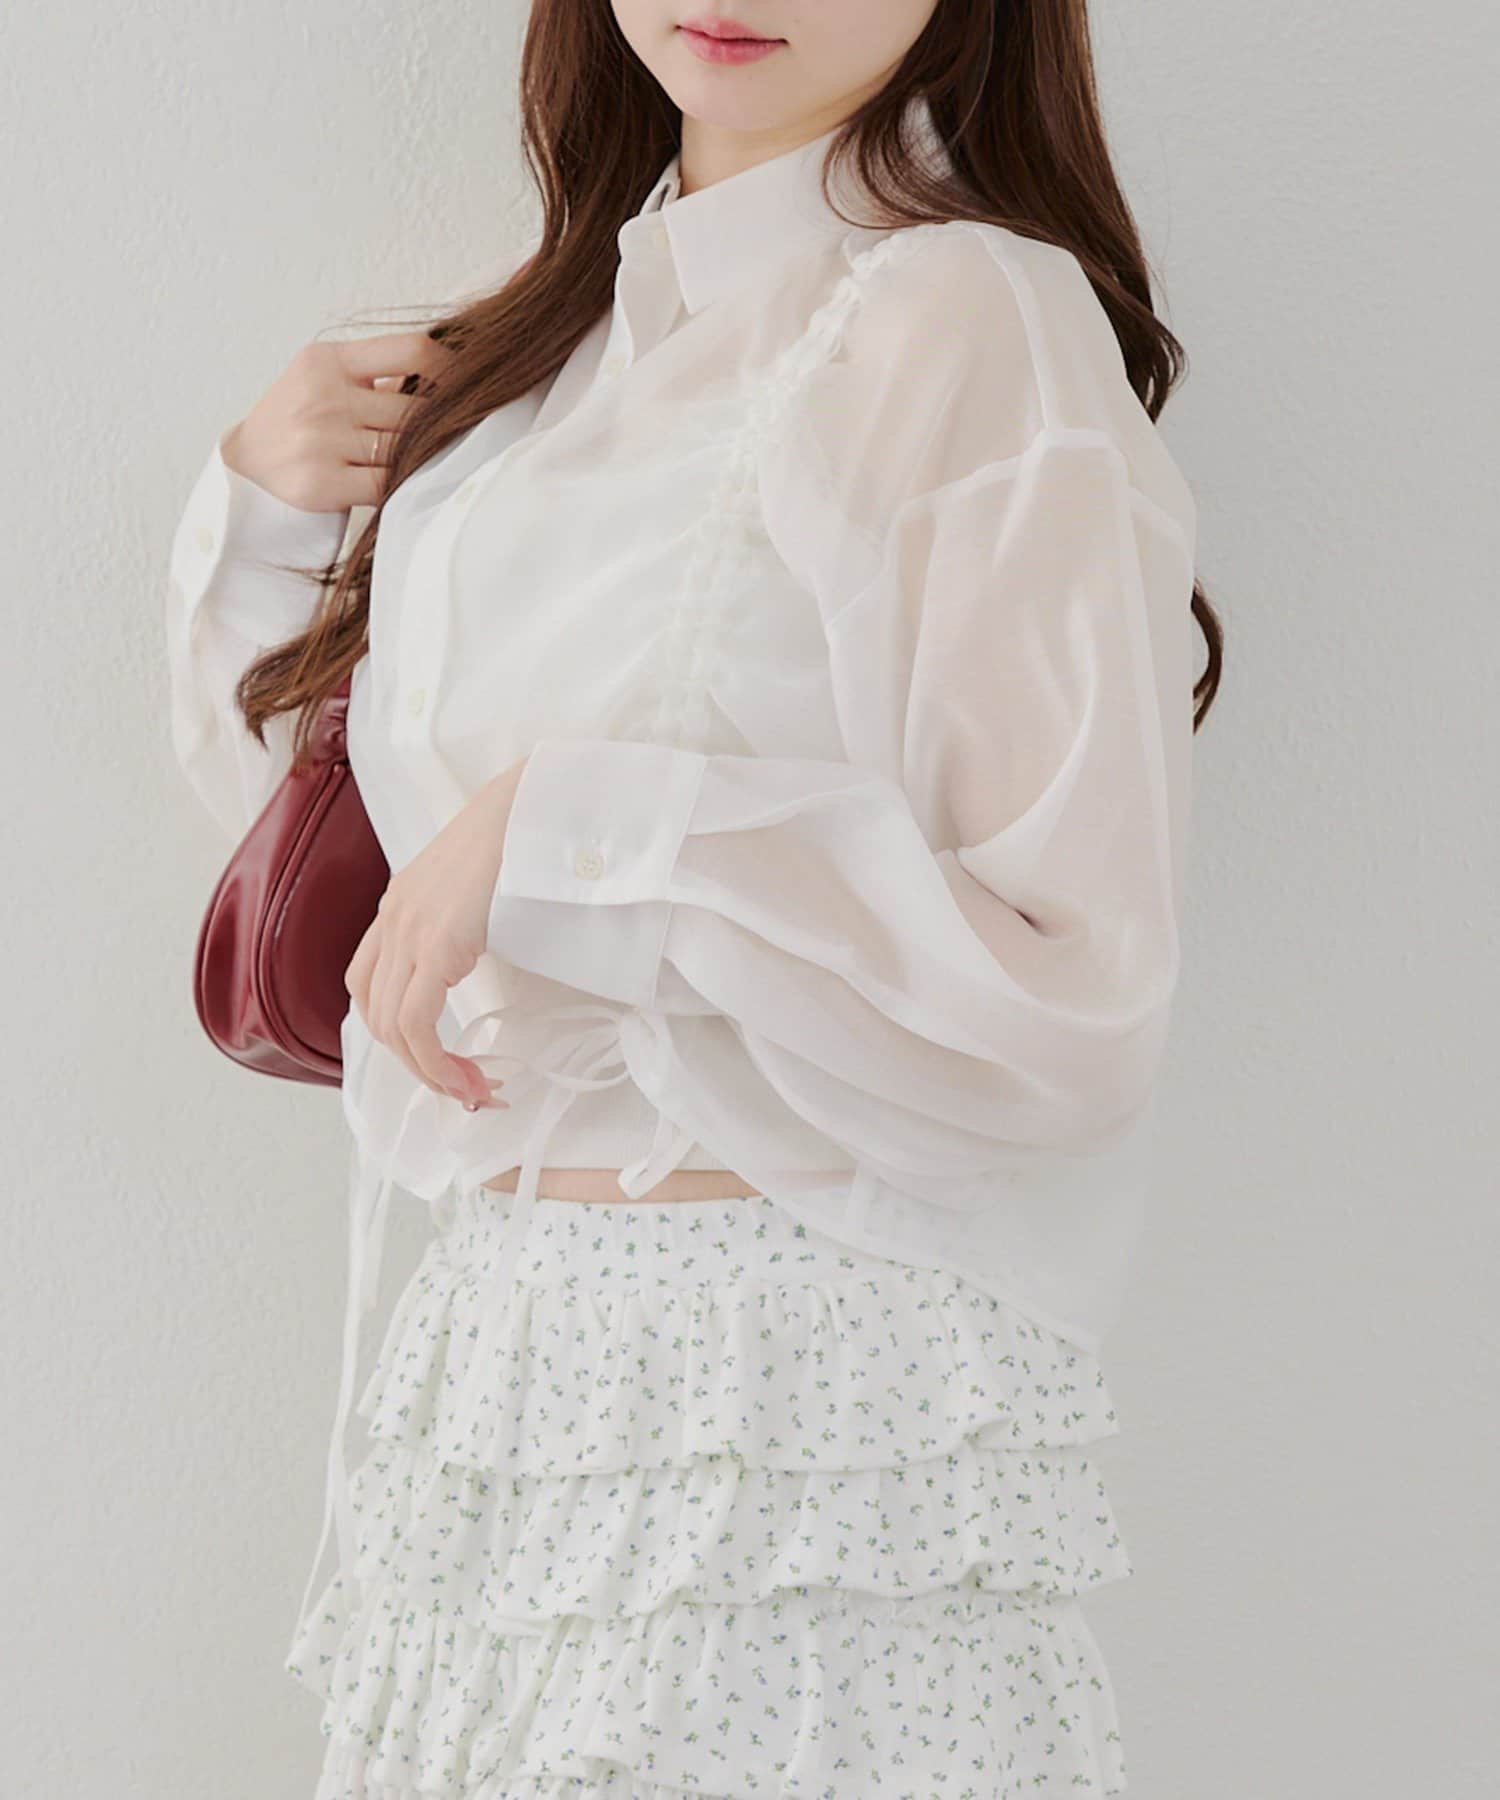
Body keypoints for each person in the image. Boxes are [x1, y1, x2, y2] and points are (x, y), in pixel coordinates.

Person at [164, 2, 1222, 1793]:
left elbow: (1071, 1009)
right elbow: (355, 906)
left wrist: (587, 832)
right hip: (499, 1373)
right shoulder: (544, 363)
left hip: (791, 1394)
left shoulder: (971, 318)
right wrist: (264, 513)